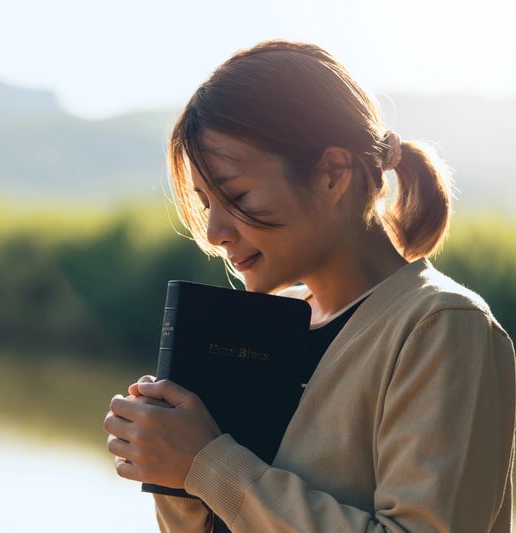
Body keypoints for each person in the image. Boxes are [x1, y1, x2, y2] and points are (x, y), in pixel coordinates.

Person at [102, 39, 516, 532]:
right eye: (205, 201)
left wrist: (207, 465)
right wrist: (171, 471)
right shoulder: (270, 324)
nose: (213, 232)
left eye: (235, 194)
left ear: (332, 174)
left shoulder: (443, 327)